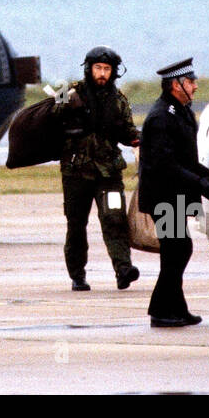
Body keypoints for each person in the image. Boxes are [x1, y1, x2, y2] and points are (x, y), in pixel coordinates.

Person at [137, 58, 209, 327]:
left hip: (175, 195)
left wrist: (204, 173)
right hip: (164, 196)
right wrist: (200, 184)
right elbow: (165, 164)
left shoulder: (181, 111)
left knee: (177, 250)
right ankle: (161, 311)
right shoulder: (161, 117)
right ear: (176, 85)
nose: (195, 86)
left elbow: (183, 157)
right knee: (177, 250)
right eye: (191, 82)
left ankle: (175, 308)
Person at [55, 46, 141, 292]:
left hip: (109, 173)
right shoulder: (68, 90)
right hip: (75, 173)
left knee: (114, 219)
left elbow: (127, 131)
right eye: (98, 68)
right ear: (89, 69)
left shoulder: (119, 100)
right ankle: (77, 275)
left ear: (113, 72)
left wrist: (138, 138)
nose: (102, 73)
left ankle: (123, 269)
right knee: (76, 224)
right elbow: (52, 114)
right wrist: (69, 104)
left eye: (106, 69)